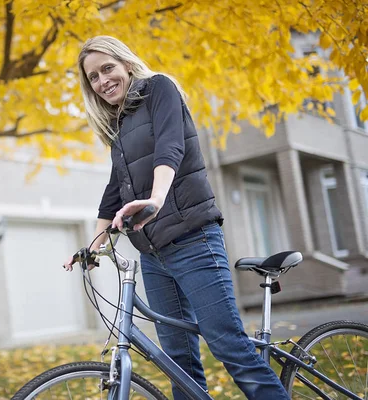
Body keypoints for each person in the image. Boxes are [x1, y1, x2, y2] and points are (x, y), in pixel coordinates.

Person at [63, 35, 289, 400]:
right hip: (153, 256)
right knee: (179, 361)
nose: (102, 81)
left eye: (108, 68)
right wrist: (93, 243)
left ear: (127, 64)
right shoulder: (119, 124)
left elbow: (171, 145)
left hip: (193, 239)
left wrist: (155, 198)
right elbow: (115, 186)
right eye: (93, 77)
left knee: (228, 345)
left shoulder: (159, 89)